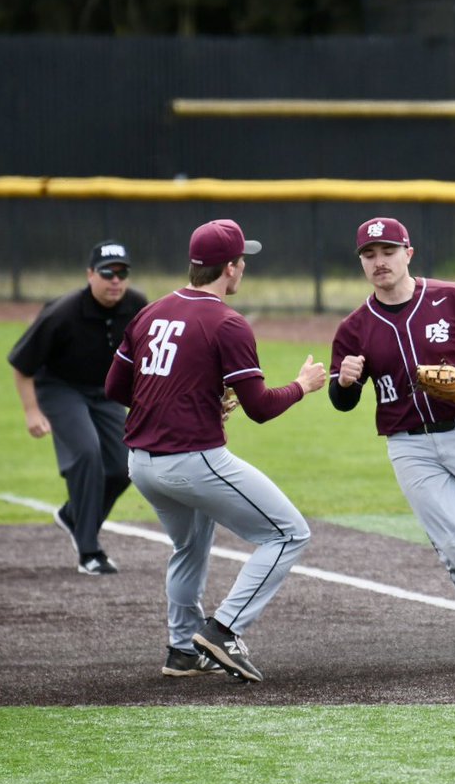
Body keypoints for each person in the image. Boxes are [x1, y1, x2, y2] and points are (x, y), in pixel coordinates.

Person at [105, 219, 327, 682]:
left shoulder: (150, 312)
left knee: (190, 547)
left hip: (141, 464)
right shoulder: (228, 323)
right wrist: (302, 386)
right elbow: (261, 408)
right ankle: (224, 629)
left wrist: (186, 403)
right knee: (288, 534)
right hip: (193, 460)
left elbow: (115, 387)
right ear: (232, 268)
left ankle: (182, 649)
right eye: (242, 260)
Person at [328, 216, 455, 668]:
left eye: (387, 251)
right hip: (408, 446)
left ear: (408, 254)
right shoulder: (354, 328)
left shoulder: (451, 298)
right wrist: (344, 383)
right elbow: (342, 402)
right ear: (361, 262)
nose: (379, 262)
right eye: (369, 254)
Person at [8, 240, 148, 575]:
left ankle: (73, 516)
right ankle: (89, 551)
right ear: (90, 274)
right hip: (59, 387)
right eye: (107, 272)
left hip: (104, 390)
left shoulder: (137, 304)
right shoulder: (63, 312)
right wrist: (31, 412)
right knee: (87, 453)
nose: (115, 279)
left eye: (122, 272)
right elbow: (22, 365)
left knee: (125, 463)